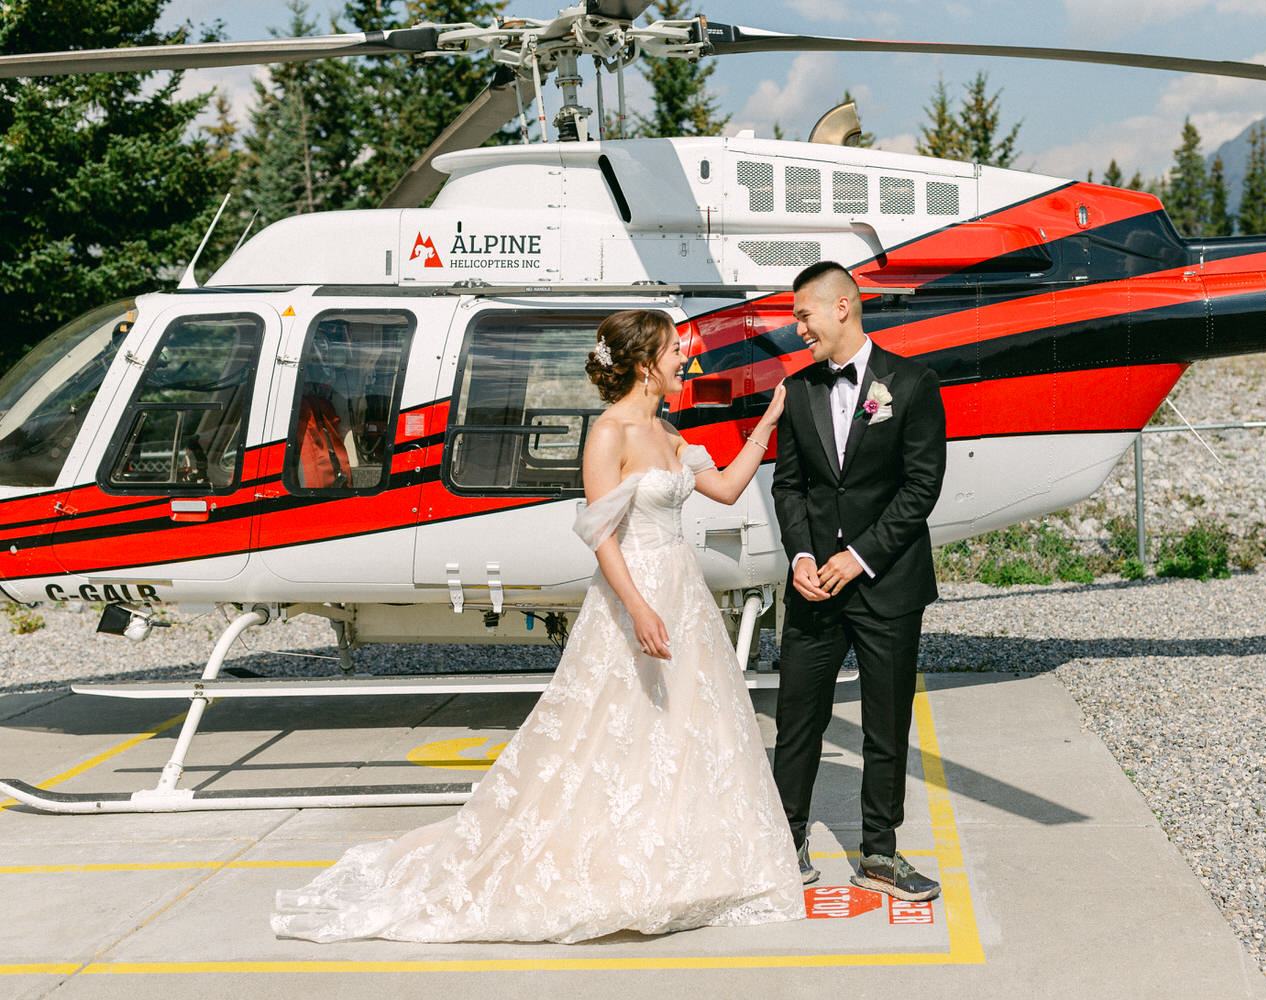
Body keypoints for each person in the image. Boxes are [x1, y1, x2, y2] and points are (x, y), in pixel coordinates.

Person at [271, 309, 802, 943]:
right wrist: (637, 608)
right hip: (635, 591)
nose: (683, 358)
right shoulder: (610, 434)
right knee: (608, 721)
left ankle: (677, 852)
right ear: (644, 364)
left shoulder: (668, 430)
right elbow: (602, 535)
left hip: (683, 589)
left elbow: (729, 487)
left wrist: (769, 421)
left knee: (683, 723)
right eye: (673, 349)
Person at [771, 261, 947, 902]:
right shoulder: (798, 389)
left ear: (841, 307)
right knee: (798, 719)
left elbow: (921, 486)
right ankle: (784, 842)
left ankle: (880, 851)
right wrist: (799, 558)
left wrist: (861, 557)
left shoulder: (913, 382)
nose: (798, 330)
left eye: (802, 315)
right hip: (813, 586)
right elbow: (788, 486)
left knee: (885, 723)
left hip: (887, 586)